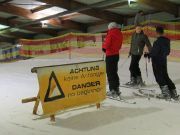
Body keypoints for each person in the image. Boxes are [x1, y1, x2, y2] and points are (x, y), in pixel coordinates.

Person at [150, 26, 179, 100]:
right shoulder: (167, 41)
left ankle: (166, 94)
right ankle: (173, 92)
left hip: (157, 62)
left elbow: (154, 53)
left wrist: (148, 54)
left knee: (159, 77)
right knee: (165, 76)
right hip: (163, 61)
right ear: (163, 32)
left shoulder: (157, 42)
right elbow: (167, 52)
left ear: (156, 33)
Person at [102, 22, 123, 97]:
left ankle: (112, 90)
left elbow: (107, 44)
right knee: (114, 72)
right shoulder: (120, 33)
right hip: (116, 55)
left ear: (110, 27)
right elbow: (119, 45)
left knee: (110, 72)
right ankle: (116, 88)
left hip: (110, 55)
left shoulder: (110, 33)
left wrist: (104, 48)